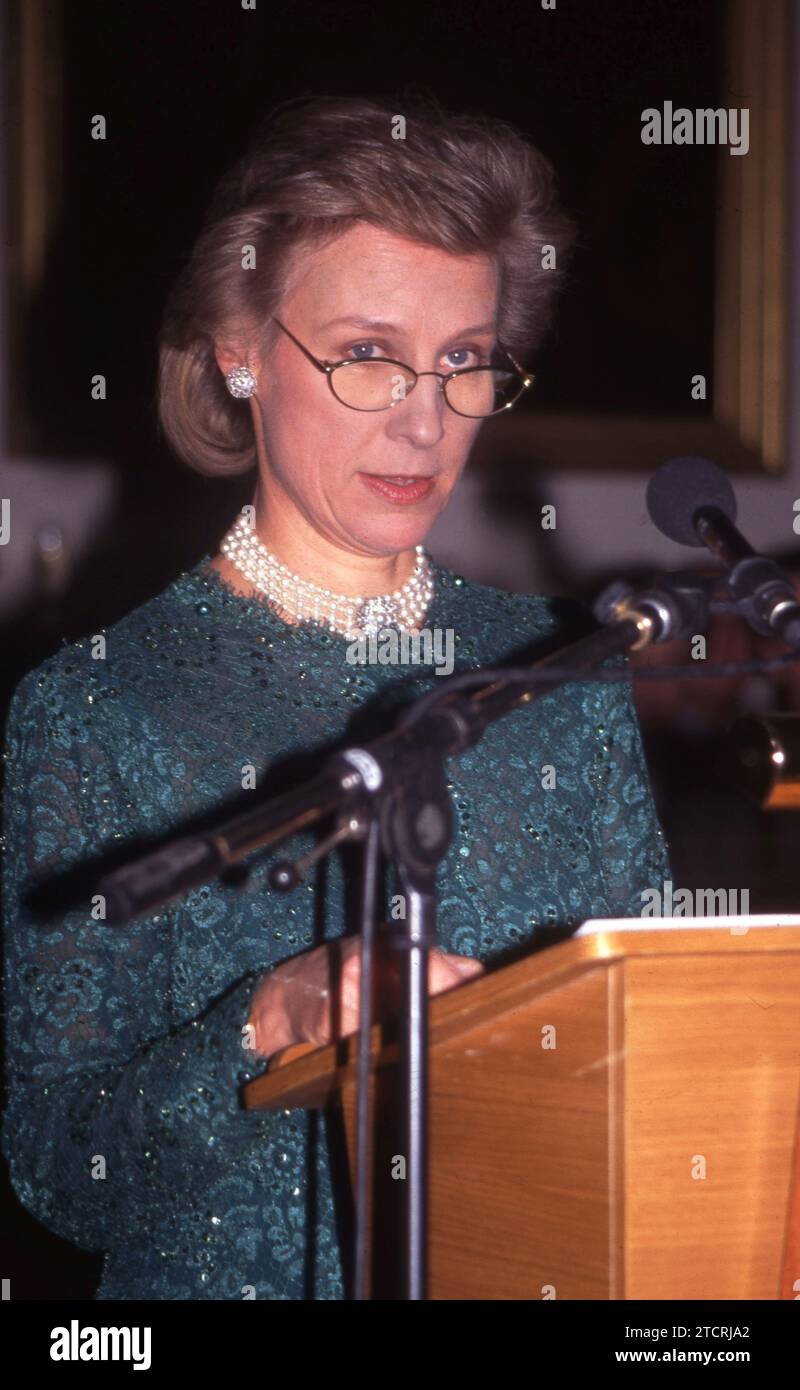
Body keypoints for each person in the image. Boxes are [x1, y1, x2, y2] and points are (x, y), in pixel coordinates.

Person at [1, 91, 672, 1300]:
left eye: (463, 361)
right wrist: (268, 1018)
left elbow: (652, 1056)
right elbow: (64, 1170)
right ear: (238, 347)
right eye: (367, 355)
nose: (423, 421)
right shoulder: (97, 710)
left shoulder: (559, 672)